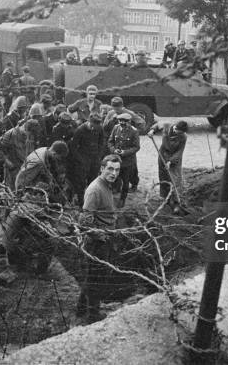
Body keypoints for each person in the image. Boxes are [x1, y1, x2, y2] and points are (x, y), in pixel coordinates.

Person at [78, 154, 121, 322]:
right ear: (102, 168)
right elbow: (85, 221)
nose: (114, 173)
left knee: (92, 277)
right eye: (110, 169)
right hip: (97, 242)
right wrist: (101, 236)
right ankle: (93, 315)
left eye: (117, 170)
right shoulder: (95, 189)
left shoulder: (107, 185)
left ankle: (81, 308)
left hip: (105, 238)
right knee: (96, 279)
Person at [147, 120, 188, 213]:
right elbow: (157, 125)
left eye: (182, 133)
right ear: (176, 128)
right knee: (163, 176)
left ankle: (176, 202)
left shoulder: (183, 137)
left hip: (175, 159)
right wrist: (152, 131)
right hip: (163, 155)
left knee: (175, 178)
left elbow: (179, 152)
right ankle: (165, 199)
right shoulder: (167, 125)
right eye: (179, 132)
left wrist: (171, 161)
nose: (180, 134)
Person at [0, 118, 41, 191]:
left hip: (25, 170)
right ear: (26, 129)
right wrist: (6, 161)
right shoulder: (11, 134)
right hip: (12, 171)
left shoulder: (32, 135)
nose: (30, 138)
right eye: (30, 135)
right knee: (11, 193)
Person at [70, 113, 106, 206]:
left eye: (98, 125)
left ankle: (91, 201)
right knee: (81, 183)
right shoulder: (80, 130)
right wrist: (80, 159)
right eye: (94, 125)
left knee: (93, 181)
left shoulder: (100, 128)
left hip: (95, 160)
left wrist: (99, 155)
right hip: (83, 160)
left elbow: (102, 142)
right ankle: (81, 201)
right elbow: (73, 147)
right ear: (90, 122)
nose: (96, 127)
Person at [107, 113, 140, 208]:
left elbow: (136, 147)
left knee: (126, 181)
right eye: (120, 121)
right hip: (116, 160)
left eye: (124, 122)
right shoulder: (116, 128)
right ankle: (112, 196)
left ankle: (122, 199)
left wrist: (124, 152)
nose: (122, 123)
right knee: (113, 177)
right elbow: (110, 141)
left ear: (129, 122)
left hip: (127, 161)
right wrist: (113, 150)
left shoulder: (134, 131)